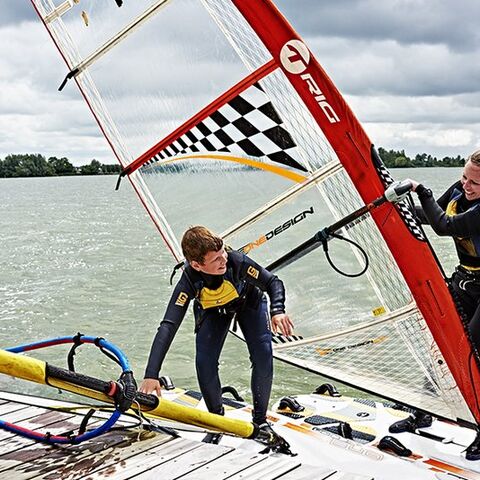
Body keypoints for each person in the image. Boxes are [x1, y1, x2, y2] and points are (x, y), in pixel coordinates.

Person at [139, 225, 294, 434]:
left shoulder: (237, 261)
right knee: (204, 363)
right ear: (197, 265)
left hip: (250, 303)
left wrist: (278, 310)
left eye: (223, 254)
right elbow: (168, 326)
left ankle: (260, 421)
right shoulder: (189, 280)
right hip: (214, 311)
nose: (224, 260)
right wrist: (151, 374)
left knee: (263, 355)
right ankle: (217, 420)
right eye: (216, 259)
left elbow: (273, 282)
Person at [409, 149, 480, 351]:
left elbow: (444, 226)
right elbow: (430, 216)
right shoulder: (460, 189)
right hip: (466, 279)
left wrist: (422, 191)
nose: (466, 185)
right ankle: (435, 384)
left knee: (472, 345)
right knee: (445, 340)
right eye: (464, 177)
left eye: (474, 183)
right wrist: (395, 205)